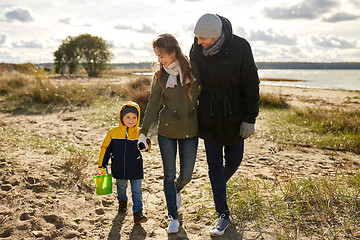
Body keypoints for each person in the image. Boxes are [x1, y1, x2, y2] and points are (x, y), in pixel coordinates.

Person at [190, 13, 260, 236]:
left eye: (203, 38)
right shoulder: (196, 50)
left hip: (234, 117)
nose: (199, 42)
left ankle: (216, 185)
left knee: (233, 162)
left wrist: (250, 119)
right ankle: (223, 214)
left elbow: (251, 82)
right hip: (208, 117)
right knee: (213, 167)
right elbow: (192, 82)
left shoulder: (240, 47)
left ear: (216, 35)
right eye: (197, 37)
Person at [138, 33, 198, 233]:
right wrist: (143, 131)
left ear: (173, 53)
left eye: (161, 56)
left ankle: (177, 189)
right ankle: (173, 216)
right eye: (156, 56)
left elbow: (204, 96)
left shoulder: (192, 72)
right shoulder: (160, 75)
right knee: (168, 175)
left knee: (187, 175)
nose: (159, 60)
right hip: (167, 132)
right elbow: (153, 104)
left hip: (190, 131)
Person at [98, 101, 149, 224]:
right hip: (119, 167)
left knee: (137, 191)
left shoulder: (140, 133)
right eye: (128, 117)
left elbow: (147, 146)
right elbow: (105, 148)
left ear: (138, 118)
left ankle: (138, 213)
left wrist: (145, 145)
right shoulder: (113, 132)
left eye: (134, 117)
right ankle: (122, 203)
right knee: (121, 187)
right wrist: (102, 164)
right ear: (122, 118)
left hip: (135, 168)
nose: (131, 120)